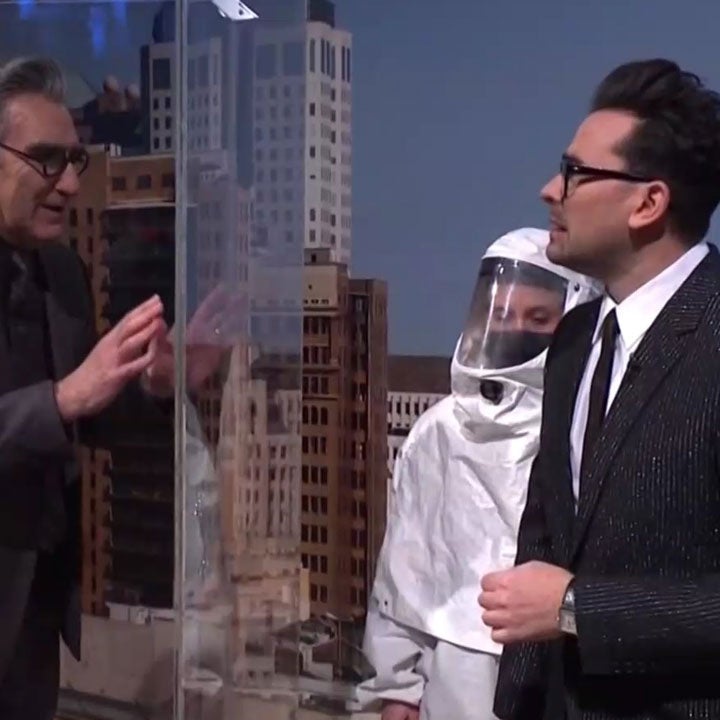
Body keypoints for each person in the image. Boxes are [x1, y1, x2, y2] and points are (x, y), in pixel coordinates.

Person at [480, 59, 720, 720]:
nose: (549, 190)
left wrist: (576, 608)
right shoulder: (575, 338)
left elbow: (553, 596)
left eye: (576, 173)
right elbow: (542, 542)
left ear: (648, 203)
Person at [0, 57, 229, 719]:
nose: (71, 184)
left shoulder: (62, 271)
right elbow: (69, 399)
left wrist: (156, 383)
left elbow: (88, 414)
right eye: (47, 160)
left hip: (34, 614)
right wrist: (64, 398)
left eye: (74, 160)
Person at [356, 228, 599, 720]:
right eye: (501, 314)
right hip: (452, 680)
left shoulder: (587, 429)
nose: (514, 329)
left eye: (538, 318)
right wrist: (396, 687)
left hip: (563, 672)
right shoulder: (438, 430)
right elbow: (406, 567)